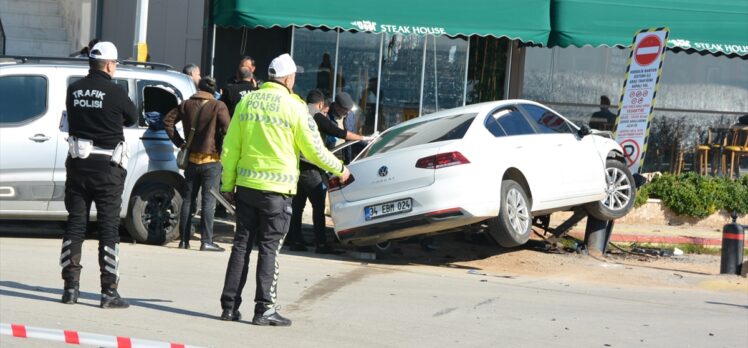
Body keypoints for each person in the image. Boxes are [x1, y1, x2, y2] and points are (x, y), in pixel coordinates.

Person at [219, 53, 350, 326]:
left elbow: (230, 148)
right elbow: (314, 150)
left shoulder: (247, 101)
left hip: (246, 187)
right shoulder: (295, 107)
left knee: (241, 246)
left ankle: (229, 307)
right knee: (269, 249)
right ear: (289, 79)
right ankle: (264, 309)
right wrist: (340, 168)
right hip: (276, 192)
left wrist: (227, 184)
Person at [61, 41, 137, 308]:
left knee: (76, 225)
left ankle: (70, 289)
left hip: (79, 166)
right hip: (107, 169)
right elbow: (132, 117)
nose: (115, 68)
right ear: (108, 64)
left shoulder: (74, 89)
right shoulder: (115, 92)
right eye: (115, 64)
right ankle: (108, 292)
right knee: (107, 229)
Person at [286, 89, 370, 253]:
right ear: (320, 104)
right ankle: (321, 244)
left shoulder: (299, 111)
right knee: (318, 204)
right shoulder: (314, 114)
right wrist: (363, 138)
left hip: (300, 164)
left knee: (298, 205)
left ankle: (294, 240)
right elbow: (336, 132)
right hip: (309, 165)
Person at [164, 77, 230, 252]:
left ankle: (183, 240)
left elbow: (167, 121)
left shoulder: (186, 104)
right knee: (209, 202)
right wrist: (221, 148)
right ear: (213, 90)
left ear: (198, 88)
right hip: (212, 161)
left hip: (191, 160)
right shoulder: (218, 106)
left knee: (188, 200)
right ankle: (206, 241)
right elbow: (227, 130)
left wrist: (180, 143)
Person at [326, 92, 357, 163]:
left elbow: (352, 136)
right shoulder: (325, 115)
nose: (348, 113)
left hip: (345, 155)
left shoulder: (350, 115)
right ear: (336, 107)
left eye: (349, 110)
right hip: (330, 155)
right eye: (345, 111)